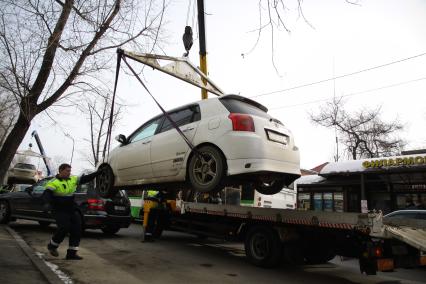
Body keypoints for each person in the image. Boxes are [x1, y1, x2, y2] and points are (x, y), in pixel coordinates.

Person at [43, 163, 100, 260]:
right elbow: (47, 194)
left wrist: (97, 173)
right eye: (67, 171)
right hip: (59, 209)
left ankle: (72, 254)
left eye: (70, 171)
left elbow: (85, 179)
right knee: (64, 228)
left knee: (77, 229)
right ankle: (52, 246)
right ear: (60, 171)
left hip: (71, 208)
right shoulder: (53, 182)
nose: (69, 173)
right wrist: (47, 203)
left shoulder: (73, 179)